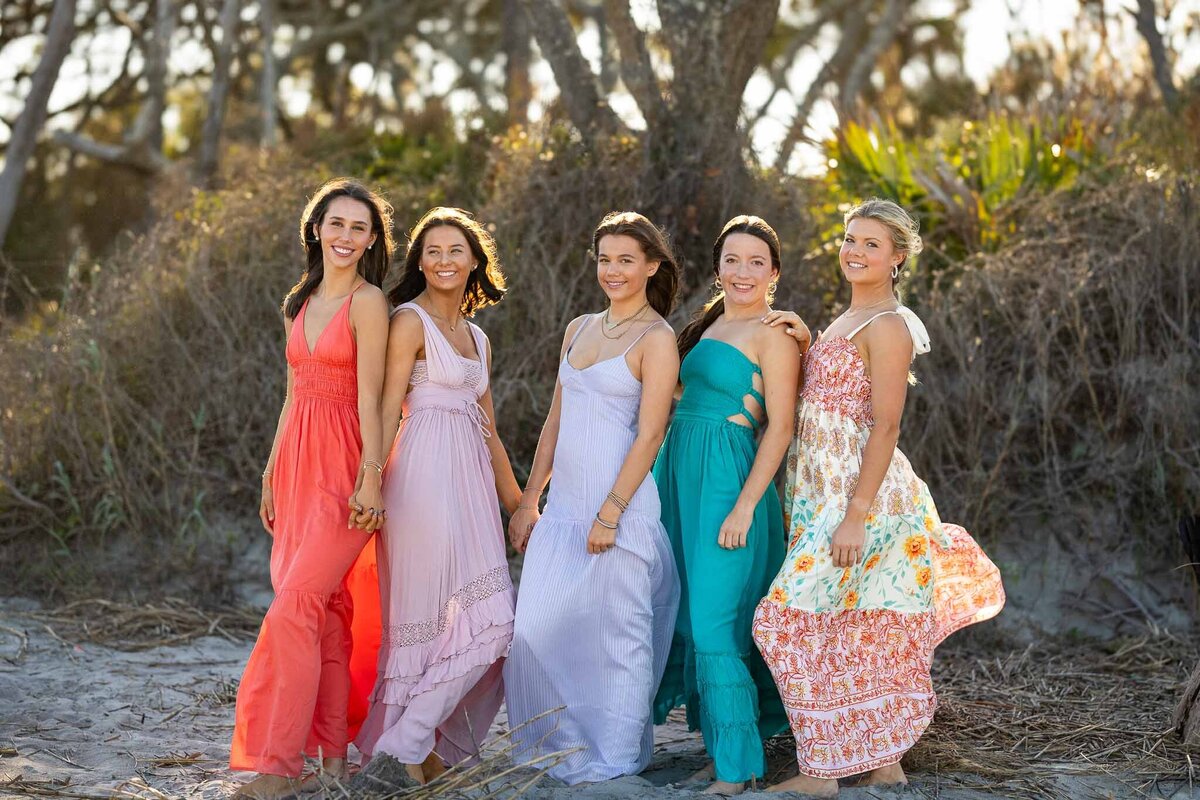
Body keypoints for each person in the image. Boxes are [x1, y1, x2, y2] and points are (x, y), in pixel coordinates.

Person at [753, 198, 1005, 797]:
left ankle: (820, 774)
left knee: (785, 621)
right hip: (823, 495)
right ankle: (884, 760)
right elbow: (833, 398)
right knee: (856, 621)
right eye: (849, 238)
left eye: (871, 244)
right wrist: (810, 339)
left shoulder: (889, 325)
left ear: (897, 258)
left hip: (866, 503)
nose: (855, 251)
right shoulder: (848, 320)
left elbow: (885, 426)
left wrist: (856, 517)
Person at [505, 211, 682, 784]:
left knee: (618, 634)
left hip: (619, 507)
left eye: (626, 260)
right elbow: (557, 416)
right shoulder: (579, 327)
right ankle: (558, 744)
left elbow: (651, 432)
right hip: (565, 507)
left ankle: (620, 759)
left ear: (652, 266)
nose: (613, 270)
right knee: (536, 629)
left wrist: (612, 512)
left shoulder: (657, 338)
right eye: (605, 258)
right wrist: (532, 499)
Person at [230, 178, 392, 799]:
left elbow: (374, 396)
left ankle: (276, 765)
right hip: (297, 463)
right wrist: (271, 469)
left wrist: (370, 479)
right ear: (316, 230)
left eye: (359, 227)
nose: (346, 236)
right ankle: (331, 761)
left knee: (295, 605)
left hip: (348, 465)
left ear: (372, 239)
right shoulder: (302, 301)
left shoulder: (369, 302)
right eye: (336, 224)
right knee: (322, 615)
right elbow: (294, 392)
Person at [356, 207, 518, 784]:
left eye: (455, 250)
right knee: (428, 617)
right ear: (419, 261)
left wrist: (520, 503)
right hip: (421, 474)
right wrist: (370, 478)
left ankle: (409, 744)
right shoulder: (409, 322)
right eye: (432, 251)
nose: (444, 261)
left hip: (471, 480)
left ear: (475, 259)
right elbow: (382, 405)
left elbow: (490, 429)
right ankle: (408, 750)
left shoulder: (478, 337)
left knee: (495, 620)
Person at [653, 216, 803, 795]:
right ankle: (720, 753)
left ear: (775, 273)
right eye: (732, 260)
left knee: (717, 623)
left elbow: (781, 426)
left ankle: (741, 768)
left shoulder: (775, 335)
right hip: (680, 477)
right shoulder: (709, 325)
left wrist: (745, 506)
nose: (743, 272)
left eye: (756, 262)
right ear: (717, 268)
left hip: (728, 483)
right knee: (693, 617)